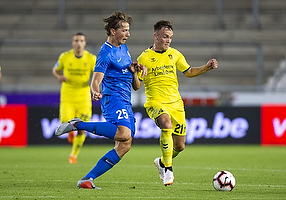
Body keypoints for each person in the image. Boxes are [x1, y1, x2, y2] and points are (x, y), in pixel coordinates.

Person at [55, 11, 146, 189]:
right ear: (113, 31)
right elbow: (95, 80)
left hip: (125, 101)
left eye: (128, 30)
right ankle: (77, 125)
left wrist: (136, 73)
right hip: (112, 99)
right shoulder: (105, 53)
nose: (128, 34)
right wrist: (96, 91)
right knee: (124, 134)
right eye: (124, 30)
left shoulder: (124, 48)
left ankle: (87, 180)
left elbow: (136, 86)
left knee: (124, 146)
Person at [135, 20, 218, 186]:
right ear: (155, 36)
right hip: (155, 102)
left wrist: (206, 67)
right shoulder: (144, 57)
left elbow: (189, 72)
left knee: (180, 146)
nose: (168, 40)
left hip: (176, 104)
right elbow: (136, 86)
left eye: (170, 37)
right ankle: (168, 170)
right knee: (166, 124)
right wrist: (136, 74)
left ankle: (162, 162)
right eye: (165, 36)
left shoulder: (175, 54)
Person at [52, 32, 96, 164]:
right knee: (65, 123)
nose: (79, 43)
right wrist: (58, 76)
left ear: (85, 43)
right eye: (76, 40)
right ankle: (70, 132)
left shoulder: (91, 58)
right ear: (73, 43)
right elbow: (55, 69)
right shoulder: (65, 57)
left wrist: (96, 89)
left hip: (84, 96)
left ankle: (73, 155)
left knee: (83, 128)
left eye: (81, 40)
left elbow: (97, 75)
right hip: (68, 95)